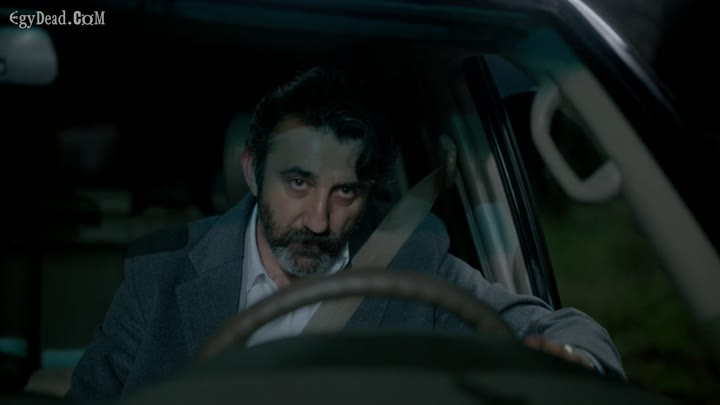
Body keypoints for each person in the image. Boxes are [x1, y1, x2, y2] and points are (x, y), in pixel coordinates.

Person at [67, 66, 625, 402]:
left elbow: (559, 328)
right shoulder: (161, 272)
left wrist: (572, 361)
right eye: (298, 183)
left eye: (345, 192)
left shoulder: (414, 263)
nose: (318, 221)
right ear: (252, 173)